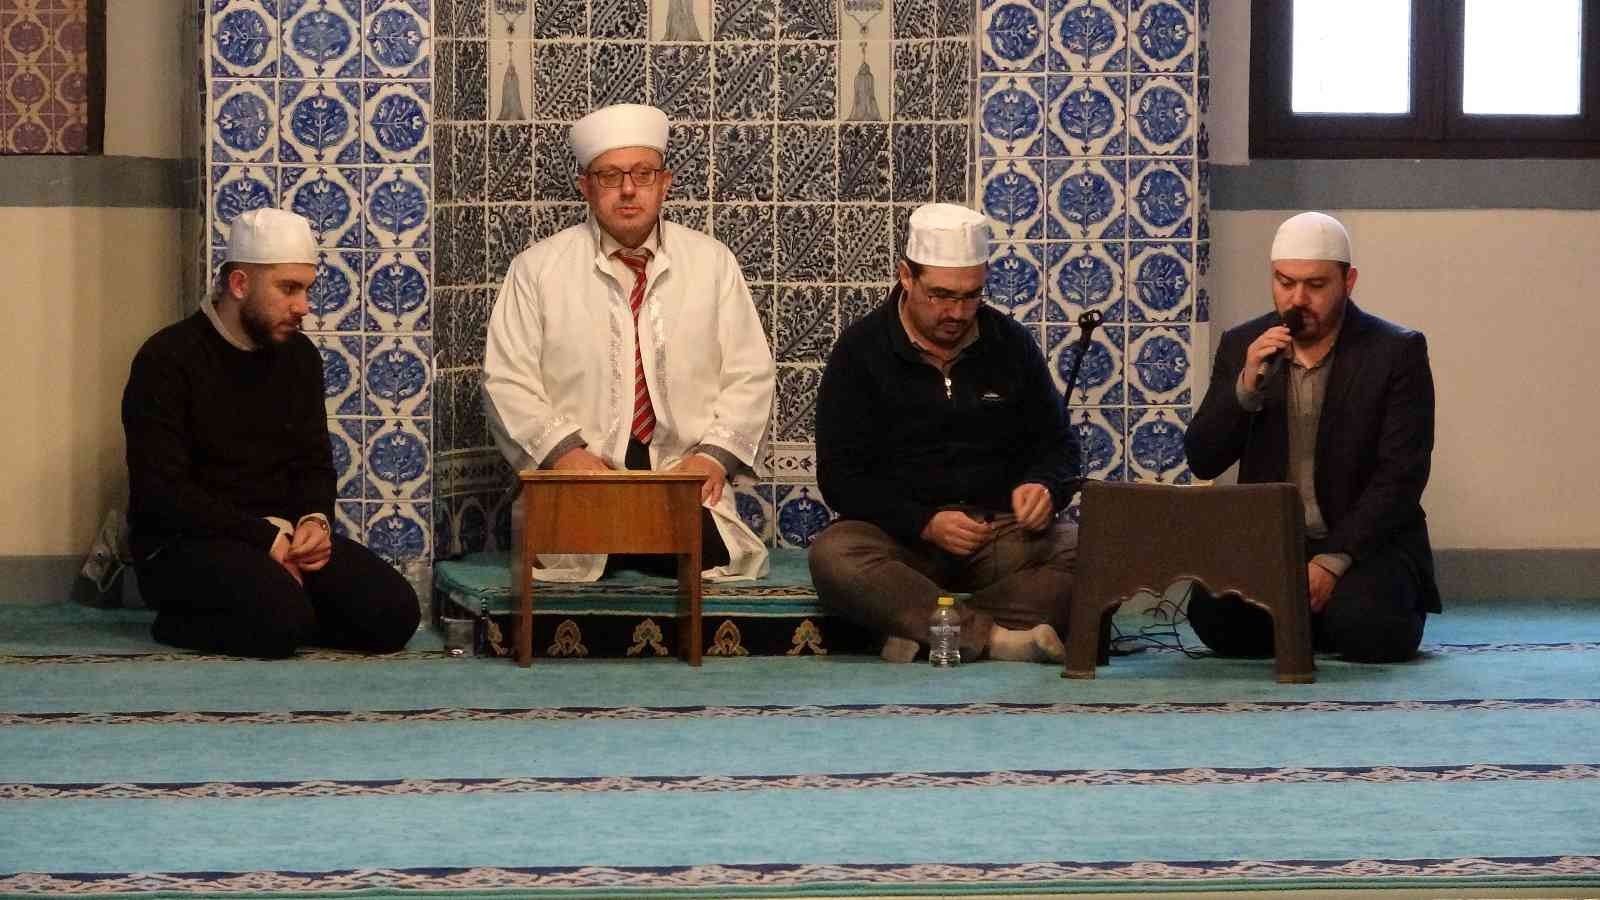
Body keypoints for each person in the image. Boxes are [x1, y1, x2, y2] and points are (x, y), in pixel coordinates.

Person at [482, 103, 775, 582]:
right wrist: (564, 455)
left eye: (643, 173)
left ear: (665, 182)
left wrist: (710, 458)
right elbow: (506, 382)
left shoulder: (712, 264)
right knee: (584, 550)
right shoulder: (537, 270)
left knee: (704, 554)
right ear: (586, 187)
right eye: (609, 176)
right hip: (580, 481)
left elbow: (751, 373)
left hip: (682, 481)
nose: (628, 189)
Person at [122, 208, 420, 658]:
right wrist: (263, 540)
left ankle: (288, 607)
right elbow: (163, 494)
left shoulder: (299, 358)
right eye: (289, 289)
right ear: (240, 284)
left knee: (394, 613)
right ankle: (185, 622)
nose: (303, 306)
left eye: (307, 289)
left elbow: (313, 463)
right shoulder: (167, 359)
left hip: (280, 540)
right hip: (186, 543)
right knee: (280, 622)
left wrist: (315, 521)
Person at [808, 203, 1080, 663]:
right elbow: (840, 478)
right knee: (834, 556)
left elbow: (1060, 447)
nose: (956, 312)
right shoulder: (860, 352)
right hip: (903, 542)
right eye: (941, 295)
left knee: (1089, 554)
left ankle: (918, 624)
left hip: (996, 535)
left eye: (971, 296)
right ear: (906, 277)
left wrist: (1045, 487)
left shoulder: (1010, 345)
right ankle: (998, 639)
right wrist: (924, 522)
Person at [1184, 211, 1439, 663]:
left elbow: (1401, 476)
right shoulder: (1244, 344)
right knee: (1213, 616)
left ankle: (1317, 615)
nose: (1298, 299)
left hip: (1363, 544)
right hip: (1273, 543)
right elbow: (1203, 458)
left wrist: (1332, 561)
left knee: (1369, 629)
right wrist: (1244, 389)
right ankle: (1306, 617)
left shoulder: (1395, 351)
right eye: (1285, 283)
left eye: (1316, 285)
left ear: (1348, 281)